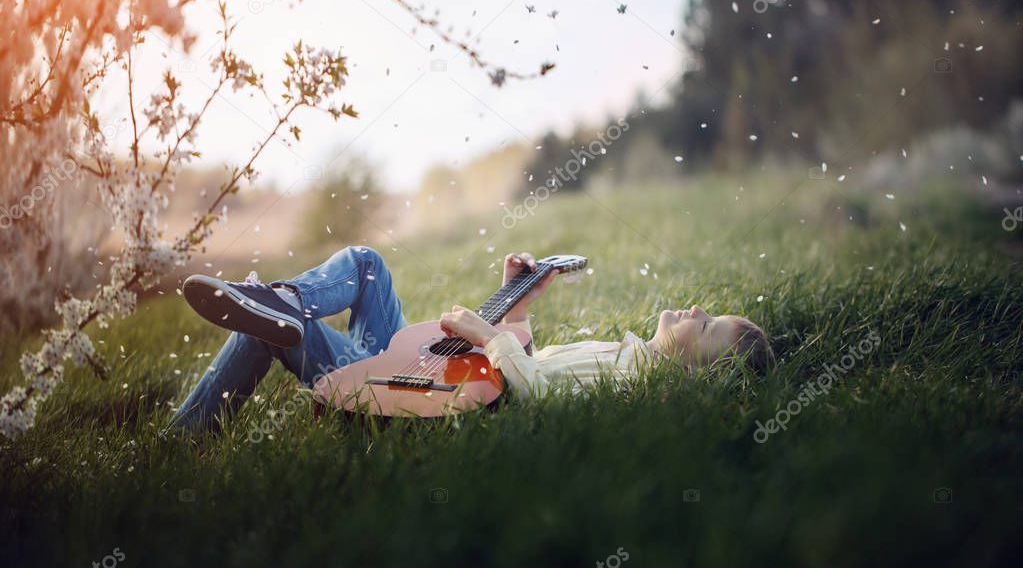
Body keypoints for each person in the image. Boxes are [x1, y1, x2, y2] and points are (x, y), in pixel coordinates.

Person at [170, 247, 772, 432]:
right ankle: (289, 302)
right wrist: (513, 301)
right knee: (366, 264)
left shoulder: (632, 383)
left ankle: (189, 435)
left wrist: (490, 333)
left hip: (400, 391)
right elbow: (514, 370)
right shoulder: (627, 354)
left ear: (701, 372)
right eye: (710, 312)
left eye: (708, 326)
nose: (696, 309)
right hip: (430, 368)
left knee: (275, 327)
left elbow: (539, 398)